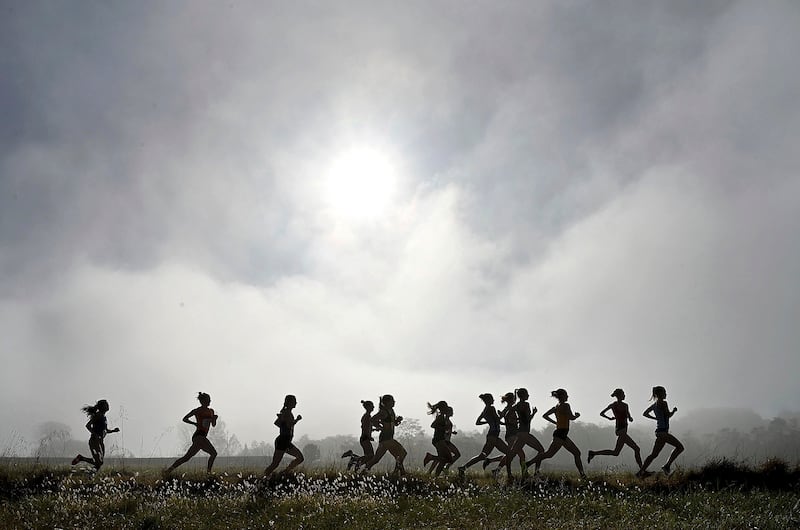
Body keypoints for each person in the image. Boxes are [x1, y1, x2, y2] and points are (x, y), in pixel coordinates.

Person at [526, 389, 586, 478]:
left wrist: (555, 422)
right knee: (549, 454)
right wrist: (577, 416)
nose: (567, 397)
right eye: (566, 395)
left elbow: (545, 415)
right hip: (561, 433)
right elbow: (571, 417)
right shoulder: (565, 405)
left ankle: (583, 475)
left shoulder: (556, 407)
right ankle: (527, 464)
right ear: (562, 396)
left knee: (577, 453)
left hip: (561, 433)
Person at [587, 388, 643, 469]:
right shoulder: (614, 405)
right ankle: (642, 471)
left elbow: (628, 416)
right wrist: (610, 418)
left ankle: (593, 453)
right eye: (623, 394)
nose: (624, 395)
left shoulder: (624, 405)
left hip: (622, 430)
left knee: (616, 452)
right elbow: (602, 413)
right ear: (619, 396)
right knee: (637, 449)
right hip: (621, 430)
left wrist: (629, 418)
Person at [496, 388, 545, 477]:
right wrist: (534, 413)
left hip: (519, 433)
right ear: (523, 395)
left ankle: (509, 473)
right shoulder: (526, 404)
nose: (528, 395)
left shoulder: (517, 405)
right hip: (525, 433)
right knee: (541, 450)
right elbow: (528, 419)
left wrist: (510, 420)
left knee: (511, 454)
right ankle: (535, 471)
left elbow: (508, 412)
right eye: (527, 394)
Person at [166, 392, 218, 474]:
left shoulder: (211, 411)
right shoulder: (197, 410)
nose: (210, 401)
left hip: (201, 437)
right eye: (208, 400)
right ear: (203, 401)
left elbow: (213, 425)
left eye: (210, 400)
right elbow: (185, 418)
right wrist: (194, 423)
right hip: (199, 436)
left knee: (186, 458)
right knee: (214, 453)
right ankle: (209, 473)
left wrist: (214, 419)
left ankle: (168, 471)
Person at [457, 394, 508, 476]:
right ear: (488, 400)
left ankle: (463, 468)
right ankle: (496, 470)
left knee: (481, 456)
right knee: (509, 453)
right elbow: (497, 420)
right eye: (492, 399)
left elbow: (478, 422)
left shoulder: (484, 410)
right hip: (494, 435)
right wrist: (502, 415)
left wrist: (488, 421)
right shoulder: (491, 408)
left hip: (491, 435)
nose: (494, 400)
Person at [639, 386, 684, 476]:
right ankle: (666, 466)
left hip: (659, 432)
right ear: (660, 394)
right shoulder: (664, 403)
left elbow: (645, 413)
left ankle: (640, 472)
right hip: (663, 432)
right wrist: (674, 411)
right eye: (664, 392)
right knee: (680, 447)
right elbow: (668, 415)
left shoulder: (654, 404)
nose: (666, 394)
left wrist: (656, 418)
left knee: (653, 455)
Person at [362, 394, 407, 474]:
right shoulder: (383, 412)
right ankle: (399, 472)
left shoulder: (391, 411)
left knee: (376, 459)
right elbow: (372, 420)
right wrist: (380, 427)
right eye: (392, 401)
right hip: (386, 439)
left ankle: (363, 472)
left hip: (388, 438)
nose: (394, 402)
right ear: (387, 402)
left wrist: (397, 421)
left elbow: (393, 423)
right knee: (402, 453)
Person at [71, 399, 119, 470]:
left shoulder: (103, 417)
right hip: (94, 441)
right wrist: (95, 434)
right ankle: (81, 459)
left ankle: (89, 474)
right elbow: (88, 425)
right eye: (106, 404)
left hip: (100, 441)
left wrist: (113, 430)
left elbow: (105, 430)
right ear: (102, 407)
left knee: (100, 462)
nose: (108, 406)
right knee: (98, 462)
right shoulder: (98, 415)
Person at [264, 395, 304, 476]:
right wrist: (297, 419)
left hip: (286, 441)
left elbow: (277, 423)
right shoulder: (287, 412)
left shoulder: (286, 412)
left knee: (300, 458)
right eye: (294, 401)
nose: (296, 403)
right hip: (283, 441)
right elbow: (288, 425)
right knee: (275, 464)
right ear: (290, 403)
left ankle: (284, 472)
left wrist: (283, 423)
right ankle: (264, 477)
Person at [483, 392, 522, 477]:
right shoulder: (509, 409)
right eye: (514, 399)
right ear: (512, 400)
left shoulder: (508, 409)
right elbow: (506, 420)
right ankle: (519, 473)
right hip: (511, 435)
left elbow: (502, 419)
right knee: (517, 454)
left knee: (511, 454)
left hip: (512, 434)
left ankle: (494, 466)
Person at [423, 401, 459, 476]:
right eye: (446, 407)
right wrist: (444, 428)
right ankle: (431, 457)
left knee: (443, 460)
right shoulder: (440, 417)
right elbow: (433, 425)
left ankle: (436, 476)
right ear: (443, 408)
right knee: (448, 459)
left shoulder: (443, 417)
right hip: (439, 440)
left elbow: (442, 429)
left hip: (440, 439)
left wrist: (448, 431)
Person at [341, 400, 375, 470]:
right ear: (368, 407)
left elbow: (366, 427)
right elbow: (365, 428)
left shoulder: (367, 416)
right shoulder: (367, 417)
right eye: (372, 406)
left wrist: (374, 429)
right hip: (365, 438)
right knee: (370, 456)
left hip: (364, 438)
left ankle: (353, 458)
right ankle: (354, 460)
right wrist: (369, 436)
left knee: (368, 456)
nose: (373, 407)